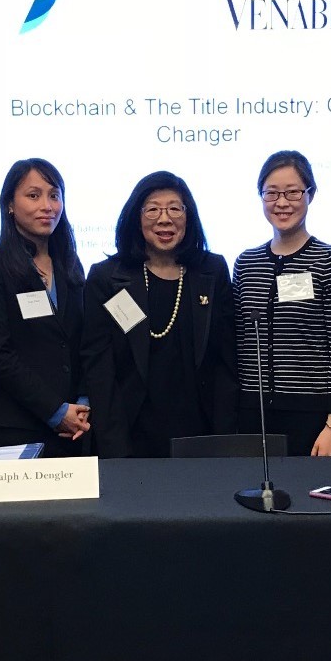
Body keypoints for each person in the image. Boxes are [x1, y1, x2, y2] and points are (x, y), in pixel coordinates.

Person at [82, 170, 236, 457]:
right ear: (135, 217)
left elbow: (226, 362)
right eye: (152, 209)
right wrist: (114, 445)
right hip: (131, 436)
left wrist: (225, 437)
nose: (164, 219)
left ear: (188, 217)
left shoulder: (212, 270)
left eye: (175, 209)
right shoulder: (107, 278)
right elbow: (99, 370)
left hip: (202, 435)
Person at [232, 150, 331, 456]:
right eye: (271, 193)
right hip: (252, 413)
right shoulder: (246, 263)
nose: (282, 202)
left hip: (312, 417)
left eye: (292, 192)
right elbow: (239, 341)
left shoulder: (330, 261)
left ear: (310, 195)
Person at [0, 159, 88, 457]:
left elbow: (85, 341)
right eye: (34, 195)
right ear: (10, 204)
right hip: (17, 426)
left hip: (75, 427)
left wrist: (83, 403)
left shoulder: (70, 264)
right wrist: (55, 411)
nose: (47, 206)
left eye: (54, 195)